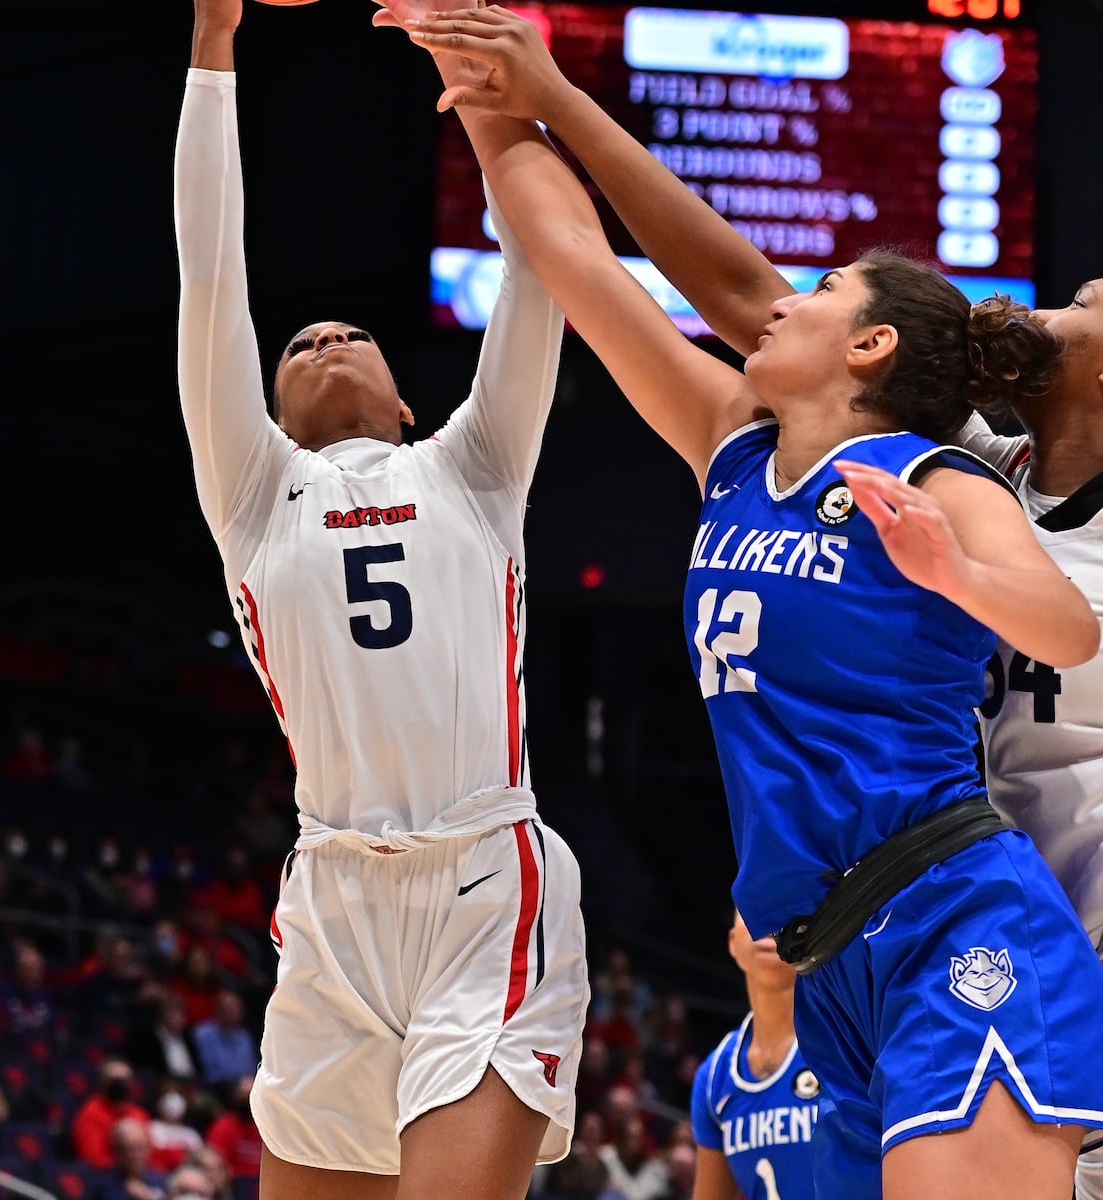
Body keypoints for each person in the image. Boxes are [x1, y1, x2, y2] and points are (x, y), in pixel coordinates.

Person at [384, 9, 1103, 1200]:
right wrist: (516, 86)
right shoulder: (921, 454)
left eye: (1087, 302)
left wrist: (956, 574)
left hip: (994, 926)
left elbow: (1065, 628)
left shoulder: (948, 488)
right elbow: (693, 282)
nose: (1056, 303)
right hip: (862, 947)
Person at [174, 2, 589, 1195]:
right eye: (302, 340)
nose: (328, 336)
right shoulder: (255, 493)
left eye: (353, 331)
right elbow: (211, 270)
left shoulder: (474, 465)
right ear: (263, 401)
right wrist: (214, 37)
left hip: (482, 878)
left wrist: (494, 95)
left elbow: (541, 271)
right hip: (333, 901)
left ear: (411, 401)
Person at [691, 912, 816, 1200]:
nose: (769, 922)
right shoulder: (713, 1076)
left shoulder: (843, 1042)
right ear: (733, 942)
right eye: (751, 910)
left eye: (783, 911)